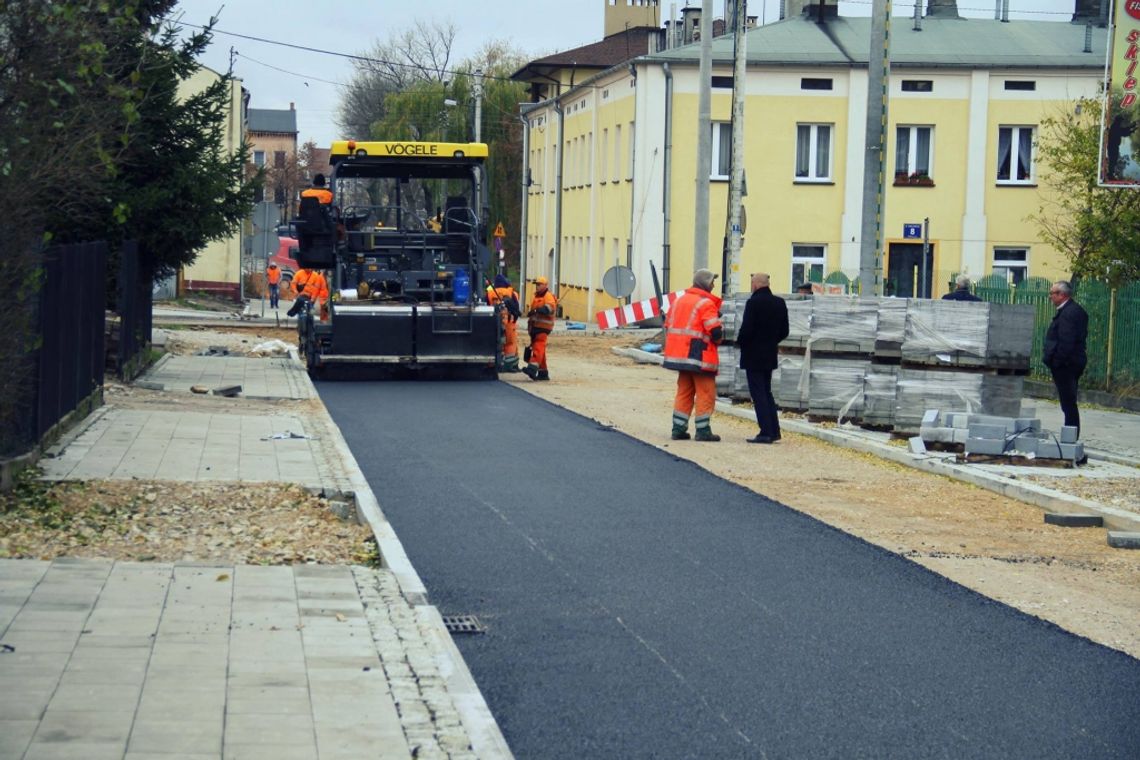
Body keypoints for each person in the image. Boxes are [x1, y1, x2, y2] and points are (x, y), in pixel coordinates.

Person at [663, 269, 724, 442]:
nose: (714, 285)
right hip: (699, 356)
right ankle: (703, 430)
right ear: (706, 283)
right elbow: (715, 331)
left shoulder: (678, 300)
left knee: (684, 392)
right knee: (706, 392)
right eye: (712, 282)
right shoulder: (705, 303)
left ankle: (678, 429)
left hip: (679, 355)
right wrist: (720, 338)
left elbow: (668, 325)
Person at [737, 272, 789, 444]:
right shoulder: (779, 303)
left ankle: (765, 431)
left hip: (753, 355)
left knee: (758, 394)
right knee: (767, 392)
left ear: (755, 284)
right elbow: (785, 331)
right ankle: (774, 431)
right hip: (770, 354)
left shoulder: (753, 303)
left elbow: (746, 329)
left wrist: (741, 342)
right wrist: (771, 342)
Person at [1043, 280, 1089, 440]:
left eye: (1052, 293)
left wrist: (1056, 362)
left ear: (1062, 295)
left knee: (1068, 402)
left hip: (1067, 364)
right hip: (1073, 361)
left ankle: (1071, 436)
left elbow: (1066, 341)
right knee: (1068, 401)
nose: (1050, 297)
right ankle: (1071, 434)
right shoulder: (1074, 310)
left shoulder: (1069, 313)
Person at [523, 276, 558, 380]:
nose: (537, 286)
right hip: (535, 326)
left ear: (545, 285)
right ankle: (543, 373)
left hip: (543, 327)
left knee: (538, 347)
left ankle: (532, 368)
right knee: (539, 349)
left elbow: (549, 308)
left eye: (539, 284)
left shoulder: (548, 296)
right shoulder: (536, 296)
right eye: (536, 284)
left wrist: (537, 310)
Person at [487, 274, 522, 372]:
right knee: (510, 344)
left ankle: (494, 365)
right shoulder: (511, 293)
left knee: (496, 343)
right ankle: (510, 366)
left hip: (495, 322)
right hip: (509, 322)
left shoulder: (490, 293)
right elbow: (516, 308)